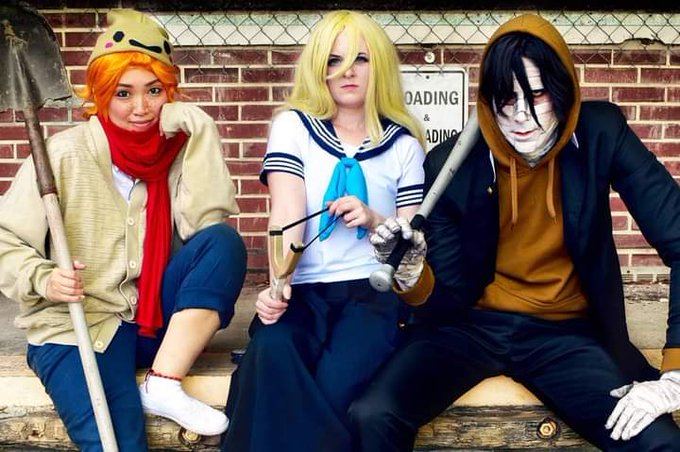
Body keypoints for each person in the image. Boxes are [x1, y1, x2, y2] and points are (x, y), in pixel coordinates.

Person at [349, 13, 680, 451]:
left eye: (537, 94)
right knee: (373, 414)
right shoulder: (450, 166)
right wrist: (412, 276)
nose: (521, 115)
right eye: (506, 98)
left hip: (565, 333)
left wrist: (676, 372)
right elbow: (447, 299)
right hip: (471, 327)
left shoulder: (601, 132)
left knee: (659, 441)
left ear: (562, 89)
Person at [0, 9, 247, 451]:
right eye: (123, 93)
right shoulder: (63, 155)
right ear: (101, 95)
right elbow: (5, 239)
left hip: (152, 323)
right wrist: (43, 278)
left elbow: (205, 228)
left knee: (223, 244)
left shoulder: (177, 152)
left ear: (170, 93)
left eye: (154, 90)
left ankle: (163, 383)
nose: (140, 108)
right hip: (77, 328)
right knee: (117, 442)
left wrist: (202, 130)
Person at [221, 10, 426, 452]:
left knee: (334, 386)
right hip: (304, 290)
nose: (347, 71)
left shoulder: (404, 146)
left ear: (380, 66)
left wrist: (375, 220)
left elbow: (410, 247)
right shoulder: (293, 127)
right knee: (271, 353)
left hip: (372, 296)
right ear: (318, 68)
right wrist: (277, 286)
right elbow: (286, 215)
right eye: (334, 60)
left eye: (360, 59)